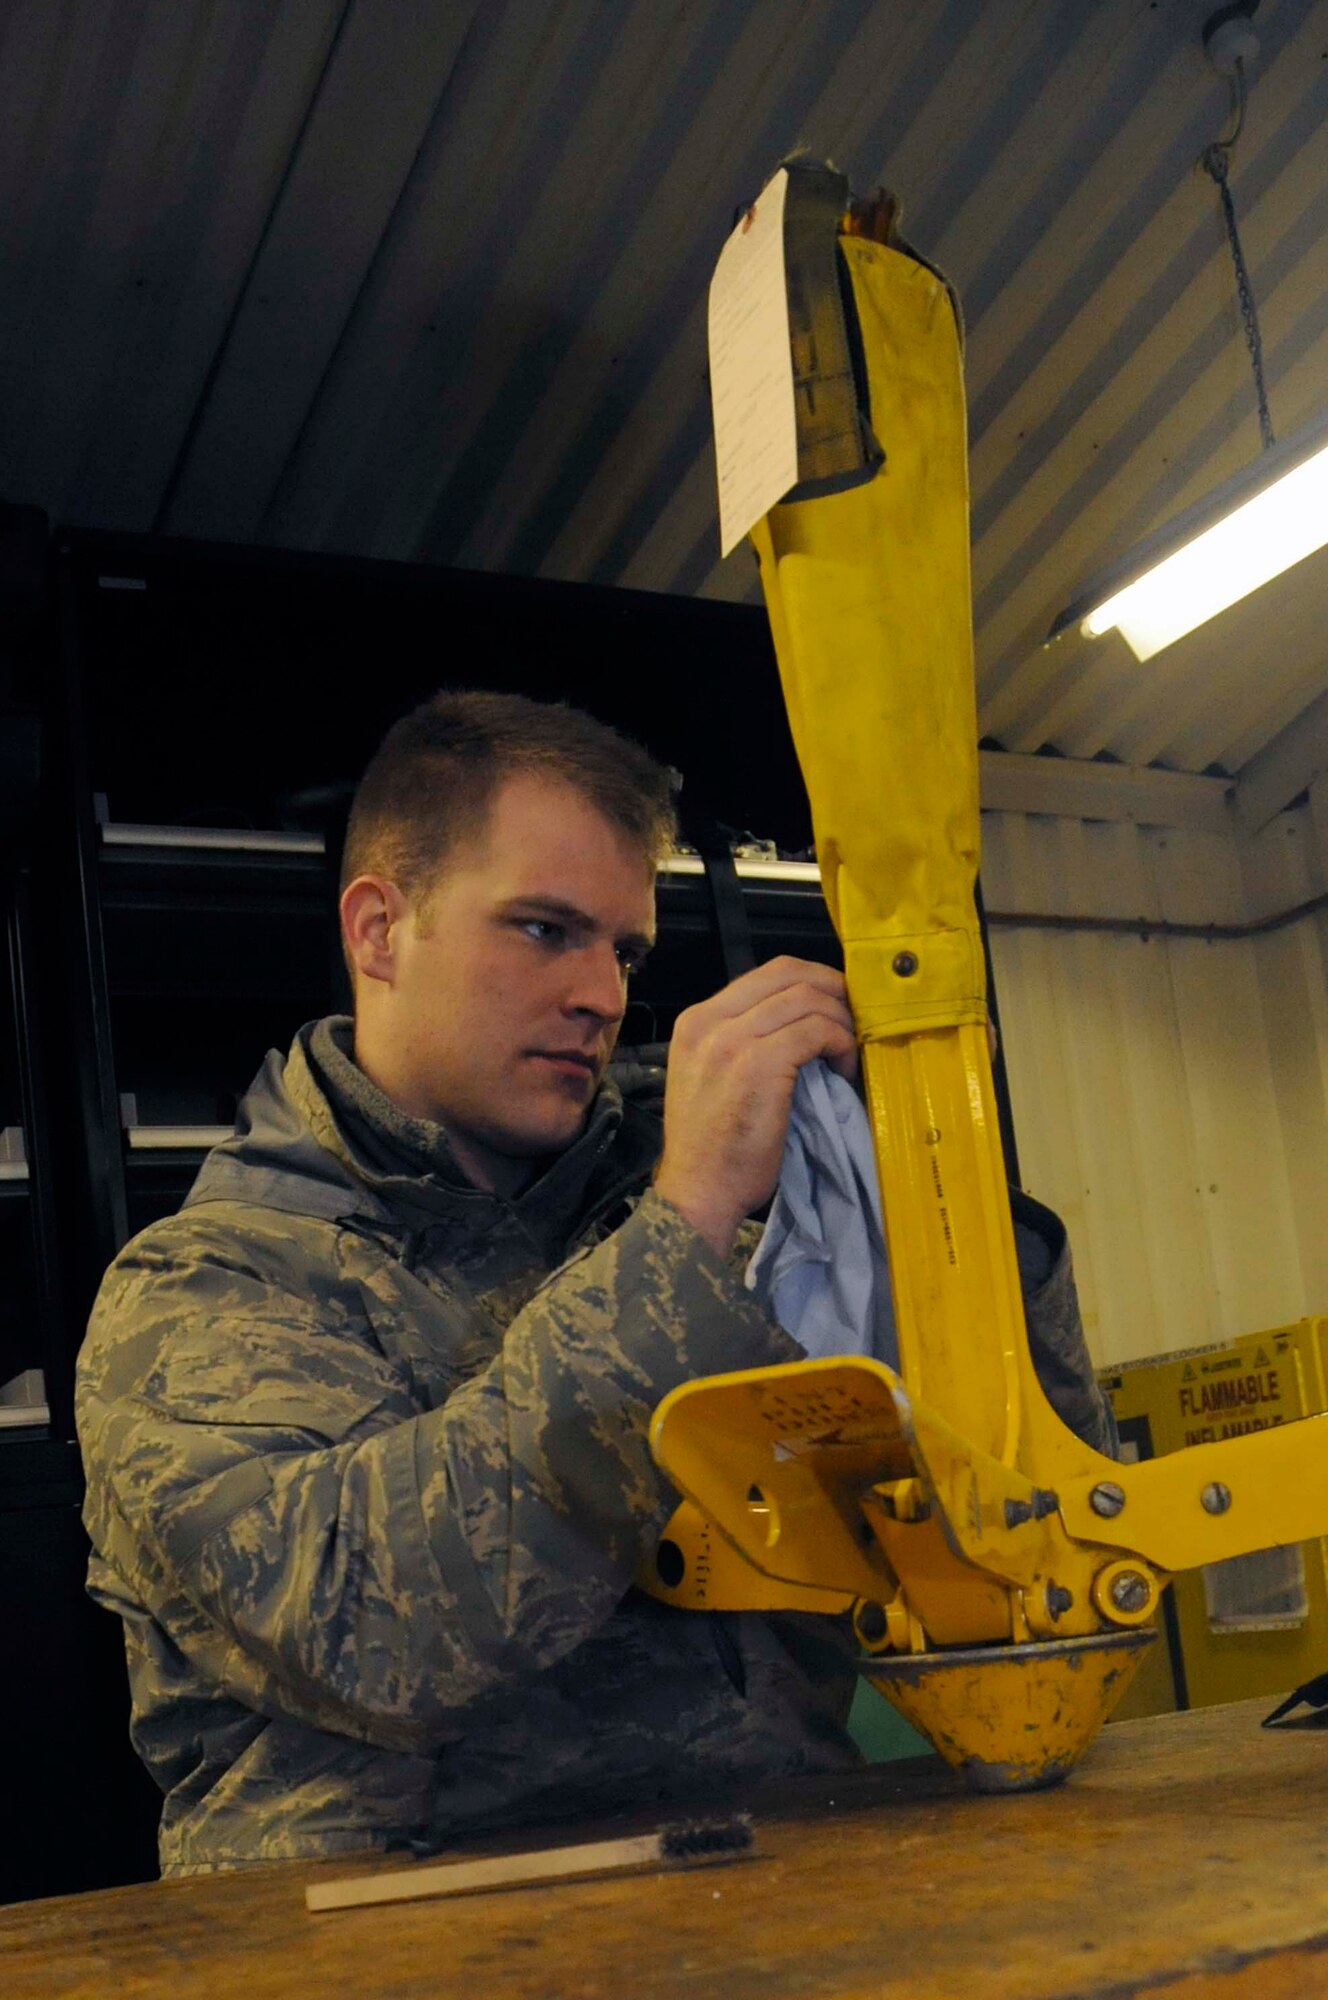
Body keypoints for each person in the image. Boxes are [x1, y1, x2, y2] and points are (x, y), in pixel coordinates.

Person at [76, 689, 1114, 1877]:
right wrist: (682, 1221)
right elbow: (375, 1629)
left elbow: (1026, 1531)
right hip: (397, 1940)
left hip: (788, 1890)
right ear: (376, 928)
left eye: (621, 948)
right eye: (541, 929)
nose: (602, 993)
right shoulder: (206, 1287)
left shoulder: (711, 1236)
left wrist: (946, 1209)